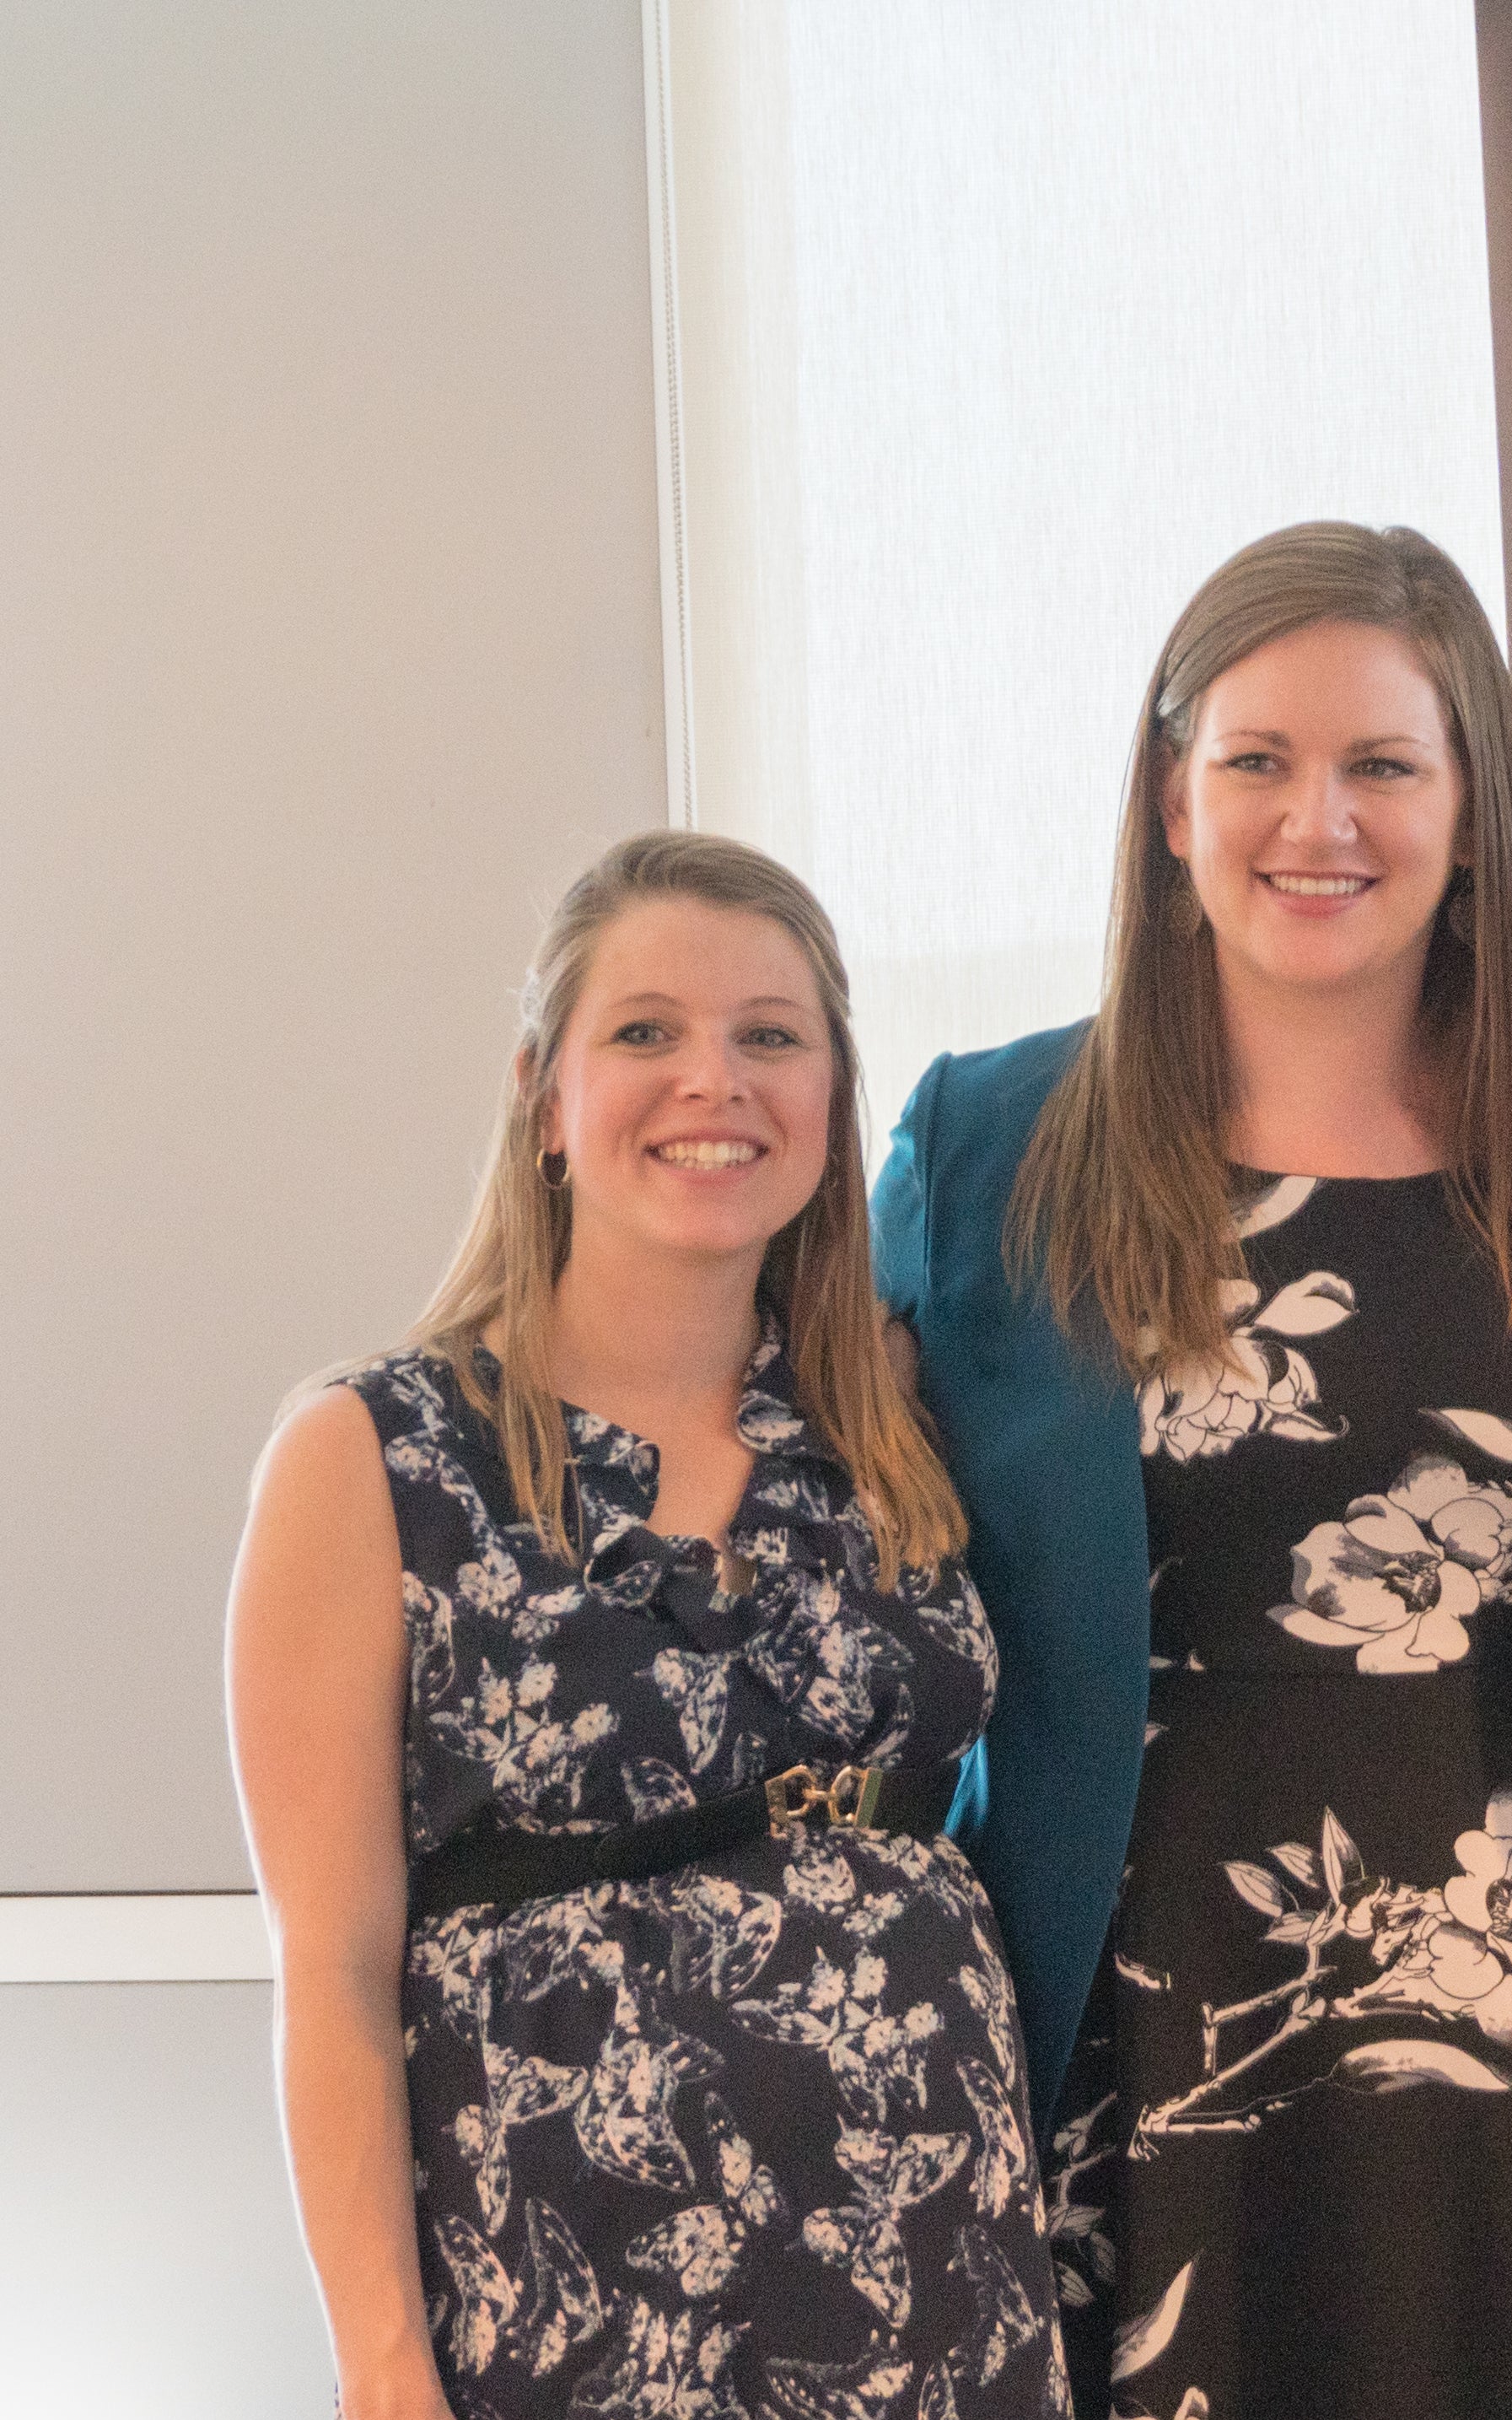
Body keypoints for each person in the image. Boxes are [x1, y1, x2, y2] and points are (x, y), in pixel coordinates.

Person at [869, 523, 1512, 2420]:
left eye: (1382, 765)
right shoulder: (988, 1146)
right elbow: (807, 1537)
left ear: (1474, 810)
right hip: (1134, 2033)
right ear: (1168, 801)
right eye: (1254, 759)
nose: (1312, 818)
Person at [228, 832, 1068, 2420]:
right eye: (645, 1032)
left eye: (771, 1034)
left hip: (937, 2287)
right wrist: (383, 2370)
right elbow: (332, 1967)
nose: (714, 1080)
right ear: (547, 1097)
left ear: (829, 1094)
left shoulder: (901, 1418)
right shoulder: (372, 1457)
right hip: (567, 2316)